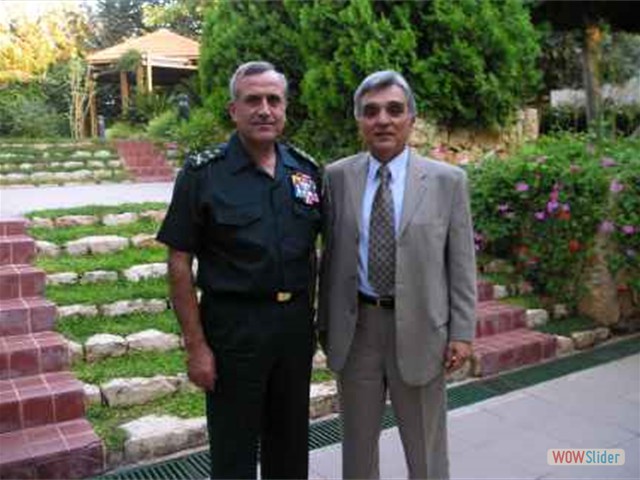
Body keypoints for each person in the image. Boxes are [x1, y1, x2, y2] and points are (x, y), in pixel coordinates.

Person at [157, 61, 321, 479]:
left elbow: (319, 251)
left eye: (274, 100)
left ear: (285, 109)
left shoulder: (304, 171)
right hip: (234, 329)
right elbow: (179, 261)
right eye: (253, 100)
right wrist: (196, 346)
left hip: (293, 327)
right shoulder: (203, 174)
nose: (264, 109)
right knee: (234, 450)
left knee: (290, 445)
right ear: (234, 110)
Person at [318, 70, 477, 479]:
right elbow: (329, 257)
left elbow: (460, 263)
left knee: (426, 450)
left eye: (394, 109)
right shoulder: (336, 178)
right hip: (357, 332)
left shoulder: (447, 181)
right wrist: (324, 323)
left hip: (423, 331)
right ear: (359, 121)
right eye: (370, 111)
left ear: (411, 117)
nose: (382, 119)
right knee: (357, 448)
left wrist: (462, 331)